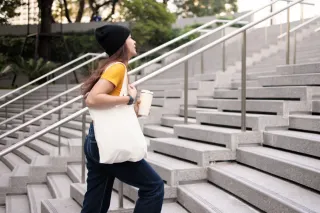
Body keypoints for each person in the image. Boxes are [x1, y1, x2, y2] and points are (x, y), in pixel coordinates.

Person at [80, 24, 164, 213]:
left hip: (97, 138)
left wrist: (133, 105)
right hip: (109, 139)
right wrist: (129, 99)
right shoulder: (117, 67)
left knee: (97, 199)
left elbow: (111, 104)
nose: (134, 41)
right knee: (154, 187)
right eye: (130, 37)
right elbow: (92, 98)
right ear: (122, 44)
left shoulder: (114, 67)